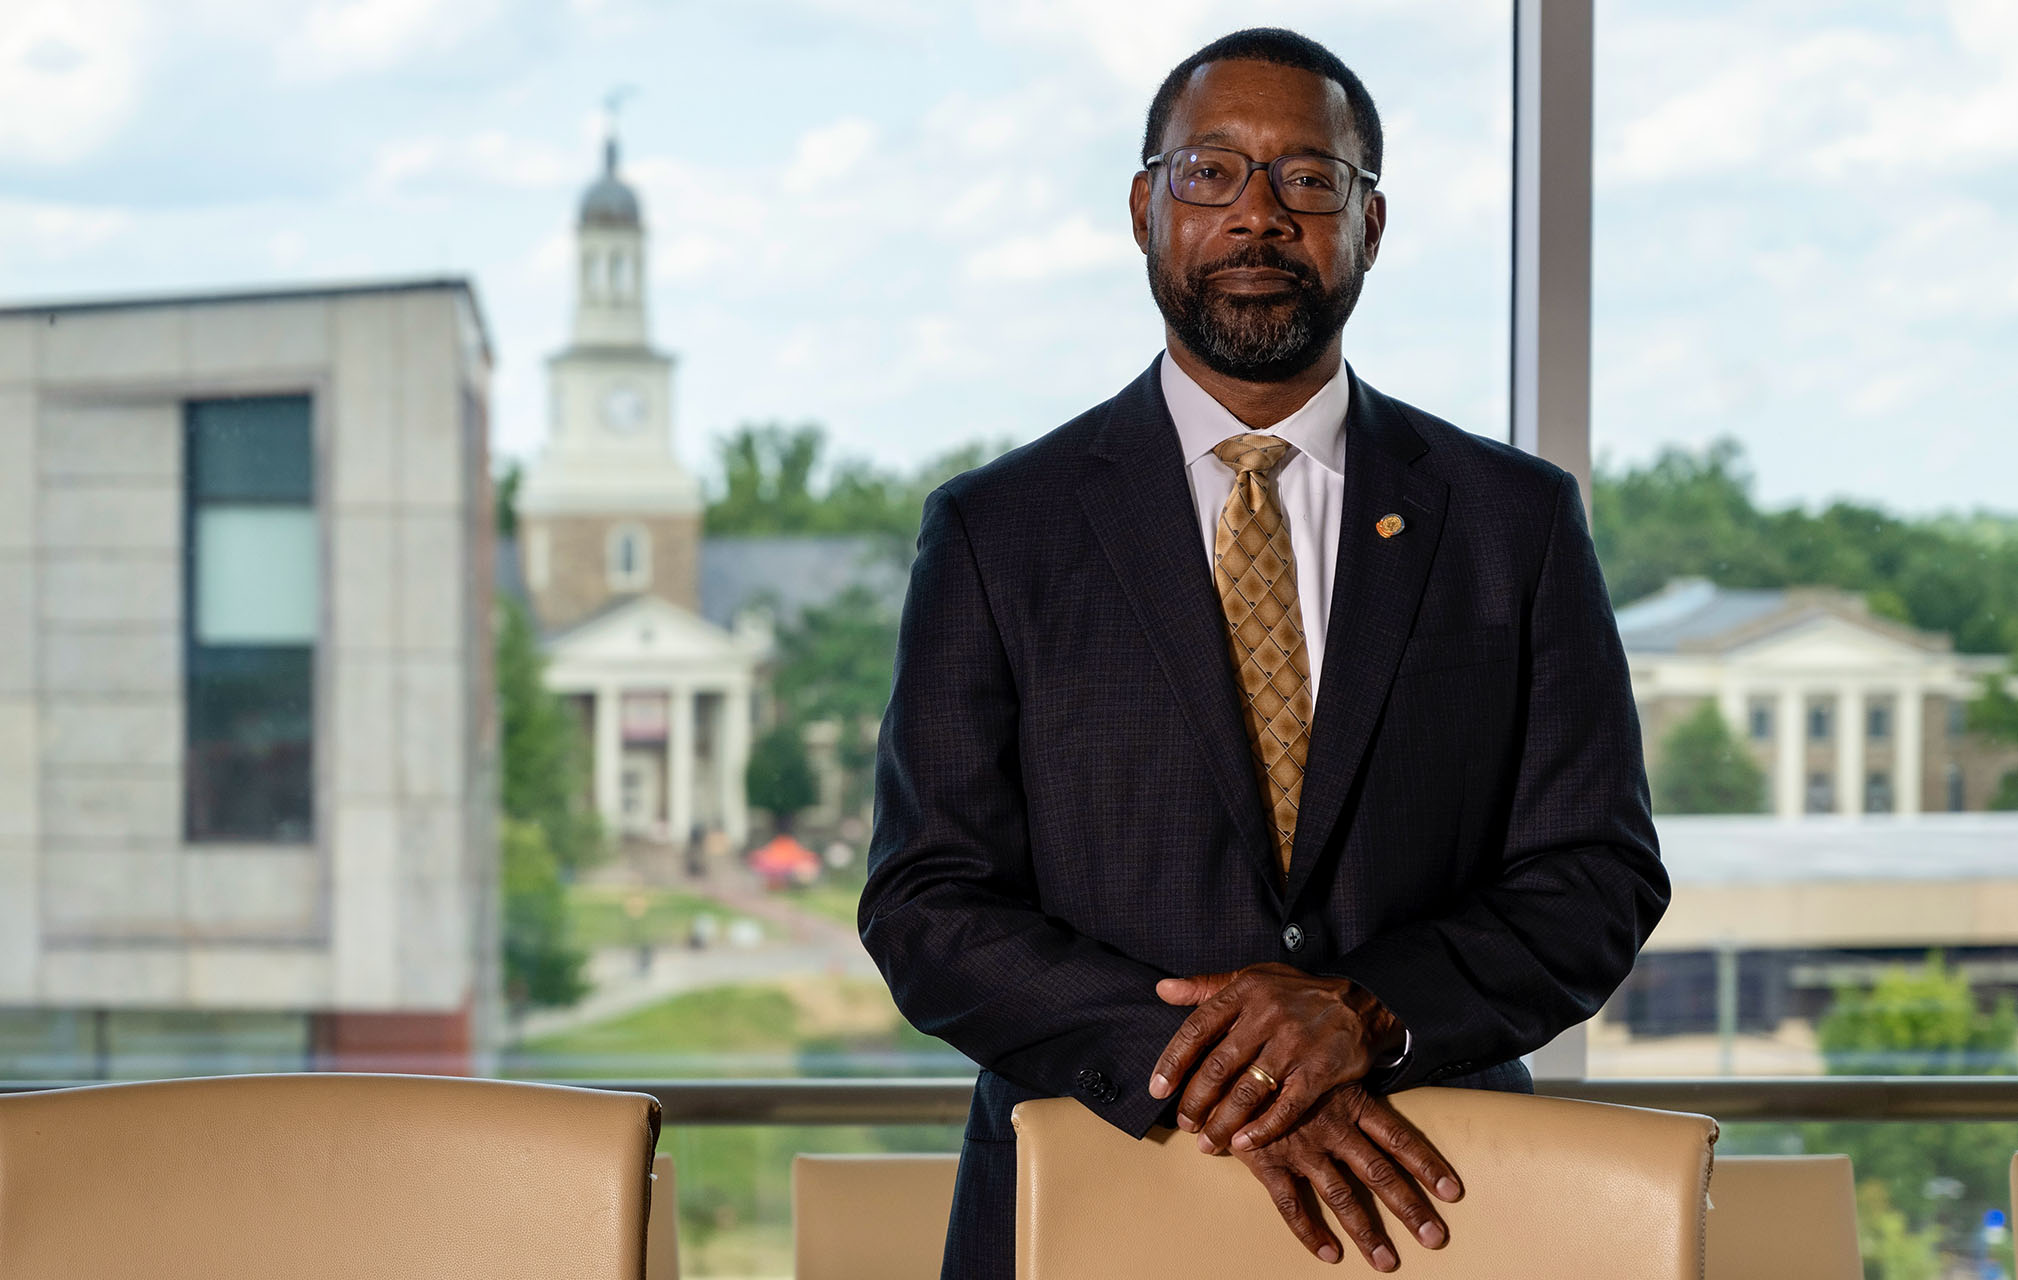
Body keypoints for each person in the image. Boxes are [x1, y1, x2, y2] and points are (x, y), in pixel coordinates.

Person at [858, 26, 1668, 1279]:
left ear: (1370, 222)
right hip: (1082, 1188)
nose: (1257, 215)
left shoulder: (1511, 521)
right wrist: (1220, 1067)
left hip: (1434, 1201)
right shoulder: (995, 530)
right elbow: (926, 902)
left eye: (1307, 177)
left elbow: (1595, 875)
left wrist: (1359, 1012)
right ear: (1143, 208)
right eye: (1209, 172)